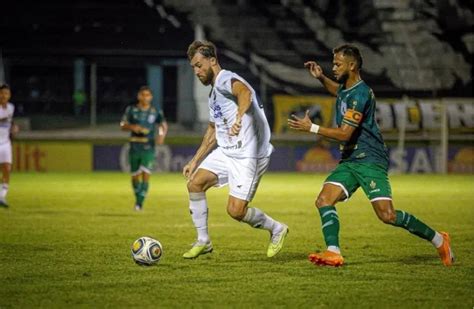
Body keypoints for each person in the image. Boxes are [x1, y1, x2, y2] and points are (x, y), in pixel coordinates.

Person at [288, 44, 454, 267]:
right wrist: (321, 78)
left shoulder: (361, 94)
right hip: (350, 160)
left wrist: (312, 128)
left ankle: (438, 239)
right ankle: (333, 252)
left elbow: (345, 134)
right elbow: (338, 92)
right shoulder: (348, 89)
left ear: (352, 65)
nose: (333, 67)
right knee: (323, 200)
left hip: (369, 159)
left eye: (337, 64)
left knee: (387, 215)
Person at [182, 40, 288, 259]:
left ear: (212, 61)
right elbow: (212, 131)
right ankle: (204, 241)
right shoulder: (213, 94)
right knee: (195, 182)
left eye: (199, 65)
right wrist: (195, 161)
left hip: (248, 156)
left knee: (236, 211)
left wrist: (240, 116)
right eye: (193, 67)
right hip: (227, 151)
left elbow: (244, 93)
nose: (197, 71)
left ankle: (277, 228)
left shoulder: (225, 79)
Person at [120, 86, 168, 211]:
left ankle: (139, 204)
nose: (145, 97)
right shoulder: (131, 110)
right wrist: (132, 127)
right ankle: (138, 198)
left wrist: (161, 136)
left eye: (148, 95)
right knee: (135, 175)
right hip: (135, 145)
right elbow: (122, 125)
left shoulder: (155, 111)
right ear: (139, 96)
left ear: (151, 97)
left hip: (149, 146)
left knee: (146, 173)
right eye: (143, 95)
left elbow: (162, 125)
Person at [0, 84, 19, 208]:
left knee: (7, 169)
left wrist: (14, 127)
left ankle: (2, 196)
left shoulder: (11, 107)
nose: (4, 95)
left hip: (6, 143)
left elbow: (11, 121)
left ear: (9, 95)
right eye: (2, 93)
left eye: (6, 93)